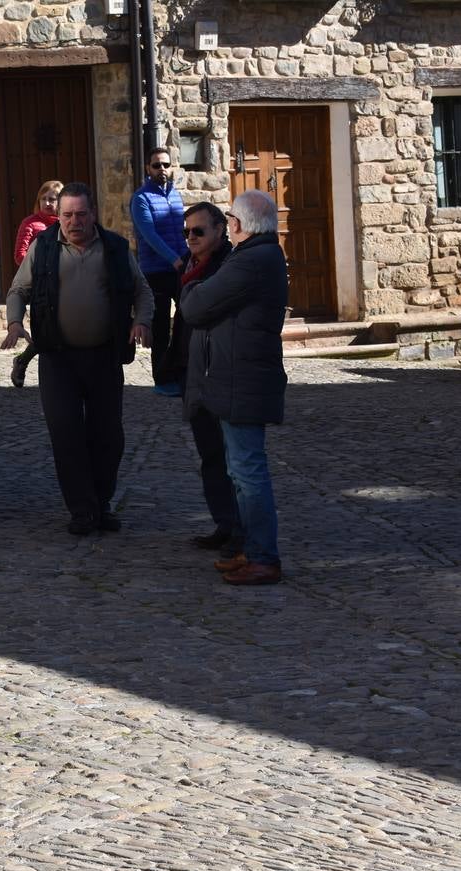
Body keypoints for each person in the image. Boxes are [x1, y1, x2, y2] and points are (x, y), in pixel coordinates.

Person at [1, 183, 154, 536]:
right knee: (66, 434)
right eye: (66, 215)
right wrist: (14, 322)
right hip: (58, 358)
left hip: (104, 357)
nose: (73, 222)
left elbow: (141, 290)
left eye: (80, 214)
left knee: (108, 436)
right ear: (60, 215)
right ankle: (82, 510)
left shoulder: (115, 249)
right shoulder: (43, 247)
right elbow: (17, 290)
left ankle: (102, 504)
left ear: (93, 214)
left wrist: (141, 321)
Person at [179, 190, 288, 585]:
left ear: (237, 225)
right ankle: (251, 548)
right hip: (237, 377)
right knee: (238, 469)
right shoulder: (256, 256)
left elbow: (194, 307)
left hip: (244, 380)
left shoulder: (252, 261)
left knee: (248, 471)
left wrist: (191, 290)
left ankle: (263, 556)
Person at [164, 202, 240, 555]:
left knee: (233, 457)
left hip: (217, 372)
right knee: (210, 453)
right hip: (191, 371)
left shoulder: (228, 266)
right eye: (186, 232)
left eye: (198, 231)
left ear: (219, 231)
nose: (190, 238)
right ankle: (224, 523)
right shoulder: (192, 266)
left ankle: (240, 528)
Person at [130, 148, 188, 397]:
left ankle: (182, 373)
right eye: (156, 165)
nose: (161, 169)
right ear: (148, 168)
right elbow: (149, 235)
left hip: (181, 268)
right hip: (156, 272)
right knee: (161, 328)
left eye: (165, 165)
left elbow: (182, 231)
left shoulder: (175, 195)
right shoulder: (141, 199)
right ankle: (162, 380)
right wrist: (174, 260)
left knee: (187, 323)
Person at [9, 180, 63, 389]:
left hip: (64, 285)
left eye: (53, 199)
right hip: (40, 286)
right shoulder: (31, 224)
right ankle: (23, 362)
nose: (48, 203)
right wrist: (40, 270)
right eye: (44, 199)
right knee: (45, 330)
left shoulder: (67, 224)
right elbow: (19, 255)